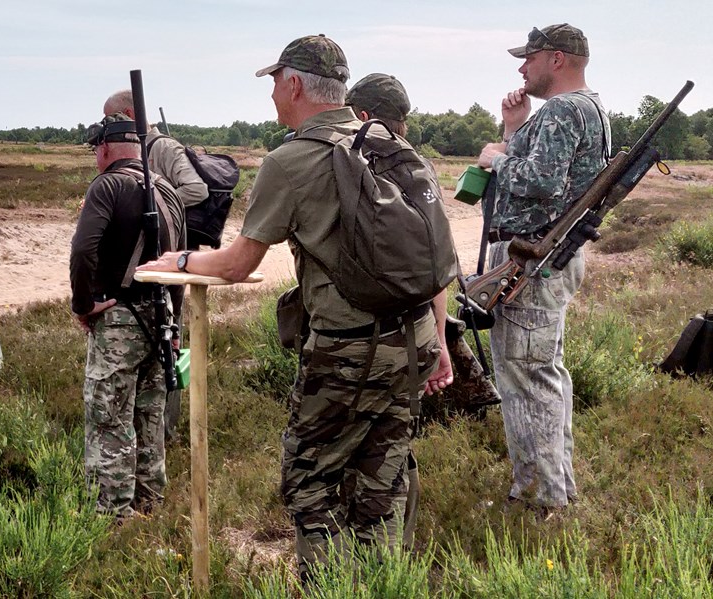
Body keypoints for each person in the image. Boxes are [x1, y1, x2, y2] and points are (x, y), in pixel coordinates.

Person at [139, 34, 449, 581]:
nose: (273, 98)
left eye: (276, 84)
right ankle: (379, 586)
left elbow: (237, 264)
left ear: (297, 84)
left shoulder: (291, 160)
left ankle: (331, 588)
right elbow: (433, 260)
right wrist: (441, 342)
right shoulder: (383, 143)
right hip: (414, 337)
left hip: (349, 353)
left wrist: (183, 260)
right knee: (383, 476)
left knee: (310, 479)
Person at [476, 24, 611, 514]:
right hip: (538, 260)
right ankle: (550, 488)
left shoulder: (563, 109)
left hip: (533, 263)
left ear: (557, 59)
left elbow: (539, 182)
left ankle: (542, 499)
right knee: (535, 374)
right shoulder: (585, 108)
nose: (521, 67)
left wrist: (496, 157)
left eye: (529, 58)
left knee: (529, 378)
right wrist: (514, 128)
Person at [345, 72, 454, 548]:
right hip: (414, 335)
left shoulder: (349, 164)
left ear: (363, 116)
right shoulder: (420, 169)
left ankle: (342, 570)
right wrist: (441, 343)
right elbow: (439, 268)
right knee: (391, 455)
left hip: (352, 343)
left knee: (336, 459)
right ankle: (390, 560)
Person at [70, 113, 182, 520]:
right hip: (161, 320)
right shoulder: (168, 192)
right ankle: (150, 507)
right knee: (150, 417)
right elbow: (179, 268)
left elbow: (83, 251)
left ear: (104, 149)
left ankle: (112, 516)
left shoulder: (107, 185)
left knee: (109, 419)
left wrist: (83, 304)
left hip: (119, 320)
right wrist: (176, 327)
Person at [104, 90, 208, 442]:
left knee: (170, 346)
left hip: (170, 265)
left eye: (113, 120)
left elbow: (198, 189)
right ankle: (143, 430)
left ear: (131, 114)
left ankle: (166, 430)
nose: (109, 129)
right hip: (145, 267)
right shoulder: (137, 153)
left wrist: (156, 198)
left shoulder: (163, 149)